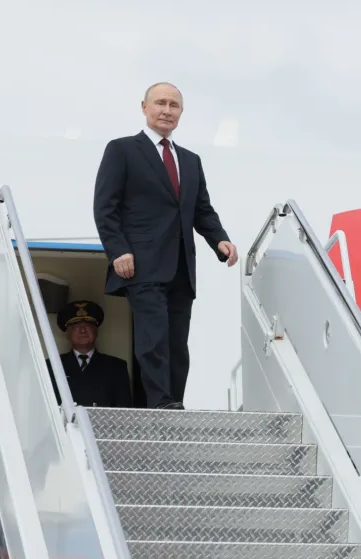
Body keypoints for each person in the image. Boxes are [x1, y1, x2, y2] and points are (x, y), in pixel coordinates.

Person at [92, 82, 238, 410]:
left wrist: (220, 240)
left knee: (176, 344)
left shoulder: (190, 160)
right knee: (153, 338)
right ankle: (159, 403)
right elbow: (105, 206)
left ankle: (174, 403)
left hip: (182, 267)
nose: (166, 110)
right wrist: (118, 251)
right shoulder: (122, 150)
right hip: (141, 264)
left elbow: (201, 210)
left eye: (174, 105)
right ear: (144, 107)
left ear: (181, 113)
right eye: (160, 103)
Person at [46, 300, 132, 408]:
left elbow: (123, 410)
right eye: (76, 326)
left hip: (103, 424)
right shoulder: (52, 365)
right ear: (67, 333)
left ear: (96, 331)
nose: (83, 330)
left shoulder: (116, 366)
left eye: (88, 326)